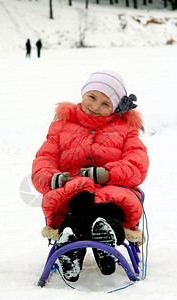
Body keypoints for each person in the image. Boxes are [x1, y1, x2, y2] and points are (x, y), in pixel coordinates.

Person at [32, 70, 149, 282]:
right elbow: (44, 159)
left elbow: (137, 164)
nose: (95, 106)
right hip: (73, 194)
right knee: (78, 201)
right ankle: (71, 244)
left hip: (112, 192)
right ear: (83, 93)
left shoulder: (125, 130)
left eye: (105, 104)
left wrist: (108, 173)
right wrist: (53, 177)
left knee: (107, 208)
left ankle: (106, 235)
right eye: (92, 97)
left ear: (115, 108)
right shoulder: (61, 126)